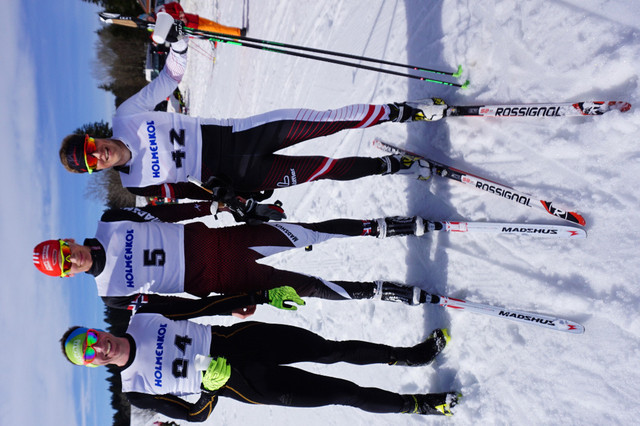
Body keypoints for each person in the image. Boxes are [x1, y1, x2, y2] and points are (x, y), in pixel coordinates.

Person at [58, 30, 447, 216]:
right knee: (324, 170)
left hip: (241, 133)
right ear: (97, 169)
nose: (101, 156)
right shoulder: (133, 181)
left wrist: (177, 45)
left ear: (94, 139)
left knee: (328, 122)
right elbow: (181, 193)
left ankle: (404, 112)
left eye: (93, 149)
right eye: (94, 163)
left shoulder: (126, 117)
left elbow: (168, 80)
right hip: (240, 176)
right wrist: (225, 203)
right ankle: (395, 165)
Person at [60, 304, 459, 421]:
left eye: (91, 339)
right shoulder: (137, 391)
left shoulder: (142, 317)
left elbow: (202, 304)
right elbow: (194, 415)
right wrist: (211, 391)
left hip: (244, 340)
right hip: (245, 383)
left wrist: (249, 298)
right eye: (90, 354)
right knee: (343, 393)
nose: (99, 347)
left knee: (331, 349)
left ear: (96, 332)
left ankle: (411, 356)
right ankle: (421, 405)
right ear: (94, 366)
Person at [33, 202, 440, 314]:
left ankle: (383, 226)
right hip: (220, 281)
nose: (76, 258)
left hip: (226, 241)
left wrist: (211, 206)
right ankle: (379, 292)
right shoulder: (111, 294)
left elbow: (163, 214)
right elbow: (169, 308)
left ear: (68, 241)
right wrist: (225, 308)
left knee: (309, 232)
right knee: (309, 287)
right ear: (69, 274)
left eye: (67, 251)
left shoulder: (110, 220)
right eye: (67, 264)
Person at [142, 2, 246, 38]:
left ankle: (235, 36)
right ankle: (238, 33)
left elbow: (175, 5)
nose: (150, 20)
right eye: (148, 21)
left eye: (148, 18)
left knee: (216, 26)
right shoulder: (160, 28)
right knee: (215, 30)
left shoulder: (160, 10)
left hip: (192, 18)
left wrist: (181, 14)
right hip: (191, 27)